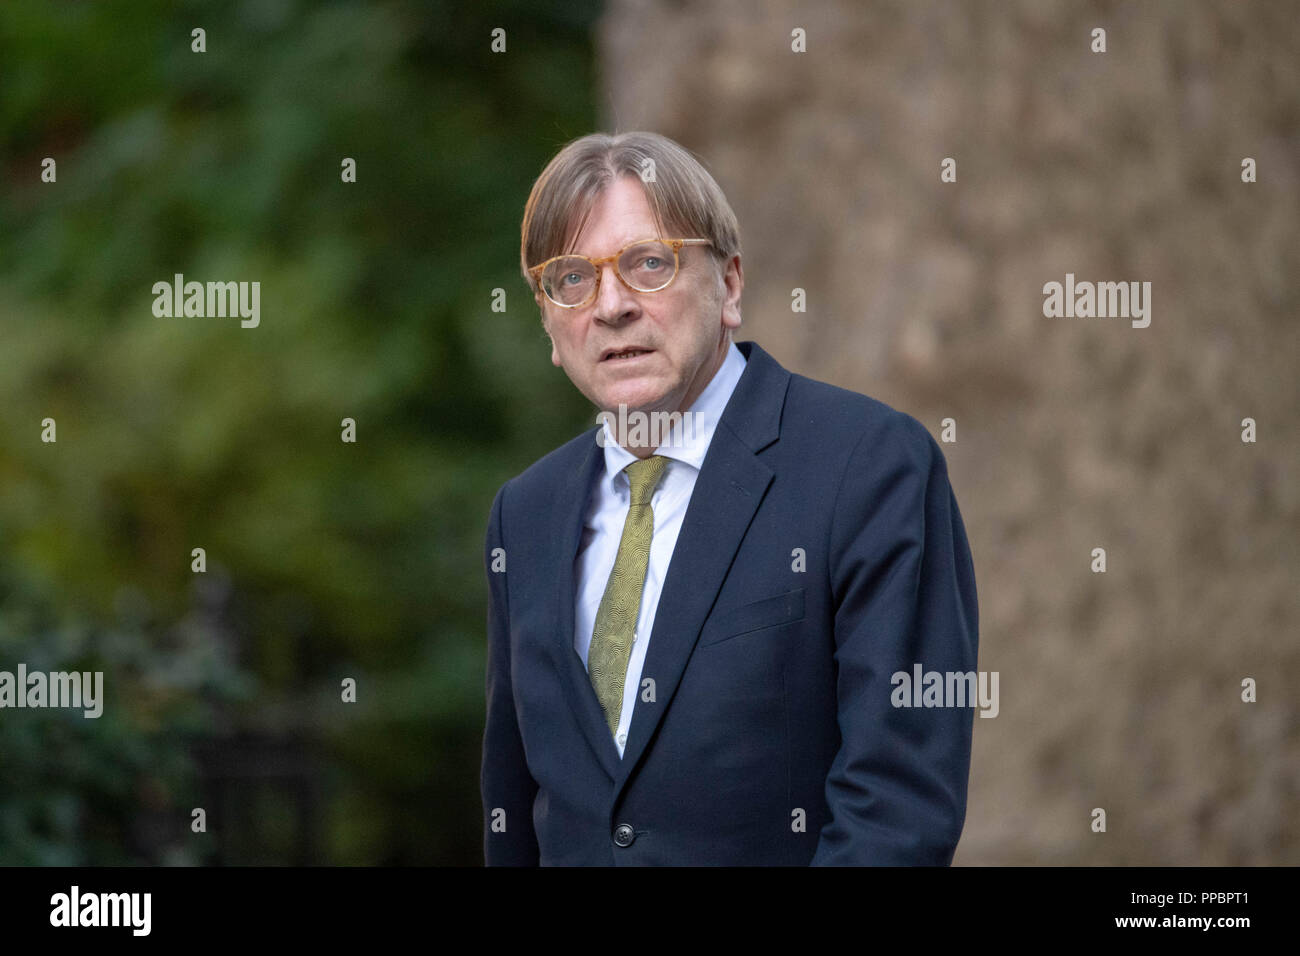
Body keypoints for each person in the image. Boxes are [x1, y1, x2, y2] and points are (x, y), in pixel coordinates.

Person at [481, 131, 979, 865]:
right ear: (551, 327)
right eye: (572, 279)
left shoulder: (869, 467)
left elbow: (896, 811)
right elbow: (514, 812)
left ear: (731, 285)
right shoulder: (524, 515)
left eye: (649, 264)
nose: (612, 305)